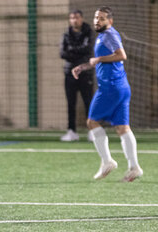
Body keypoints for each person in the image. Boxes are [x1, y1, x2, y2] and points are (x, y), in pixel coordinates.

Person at [72, 6, 143, 182]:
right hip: (121, 87)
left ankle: (107, 161)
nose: (98, 21)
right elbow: (101, 61)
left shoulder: (109, 34)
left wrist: (99, 59)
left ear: (110, 22)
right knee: (122, 128)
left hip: (110, 88)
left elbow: (121, 55)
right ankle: (134, 167)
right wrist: (84, 66)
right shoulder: (103, 36)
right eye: (96, 17)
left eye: (102, 18)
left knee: (92, 122)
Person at [60, 9, 95, 142]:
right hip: (69, 73)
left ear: (82, 18)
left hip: (85, 72)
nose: (75, 20)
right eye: (72, 18)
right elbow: (62, 53)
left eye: (77, 17)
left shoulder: (89, 33)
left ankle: (92, 130)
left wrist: (72, 50)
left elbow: (88, 49)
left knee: (88, 102)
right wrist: (77, 52)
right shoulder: (66, 34)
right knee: (71, 103)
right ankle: (71, 131)